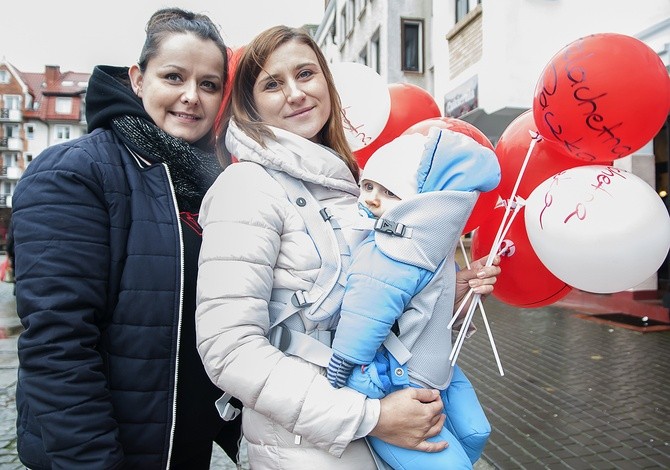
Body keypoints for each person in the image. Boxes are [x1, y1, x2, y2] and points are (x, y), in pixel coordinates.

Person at [195, 25, 501, 469]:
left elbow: (365, 305)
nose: (296, 93)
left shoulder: (351, 186)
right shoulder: (247, 186)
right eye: (273, 83)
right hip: (304, 449)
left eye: (306, 73)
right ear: (251, 103)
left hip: (378, 435)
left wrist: (442, 298)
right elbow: (229, 349)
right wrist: (369, 417)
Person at [12, 8, 241, 469]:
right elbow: (58, 347)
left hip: (182, 451)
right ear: (138, 79)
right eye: (174, 77)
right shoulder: (74, 173)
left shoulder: (214, 188)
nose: (191, 97)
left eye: (209, 84)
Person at [326, 129, 501, 469]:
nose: (373, 199)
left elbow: (422, 307)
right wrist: (343, 363)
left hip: (434, 370)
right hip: (390, 383)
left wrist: (459, 289)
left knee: (475, 433)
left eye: (390, 192)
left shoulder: (424, 246)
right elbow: (365, 312)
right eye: (368, 186)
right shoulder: (387, 249)